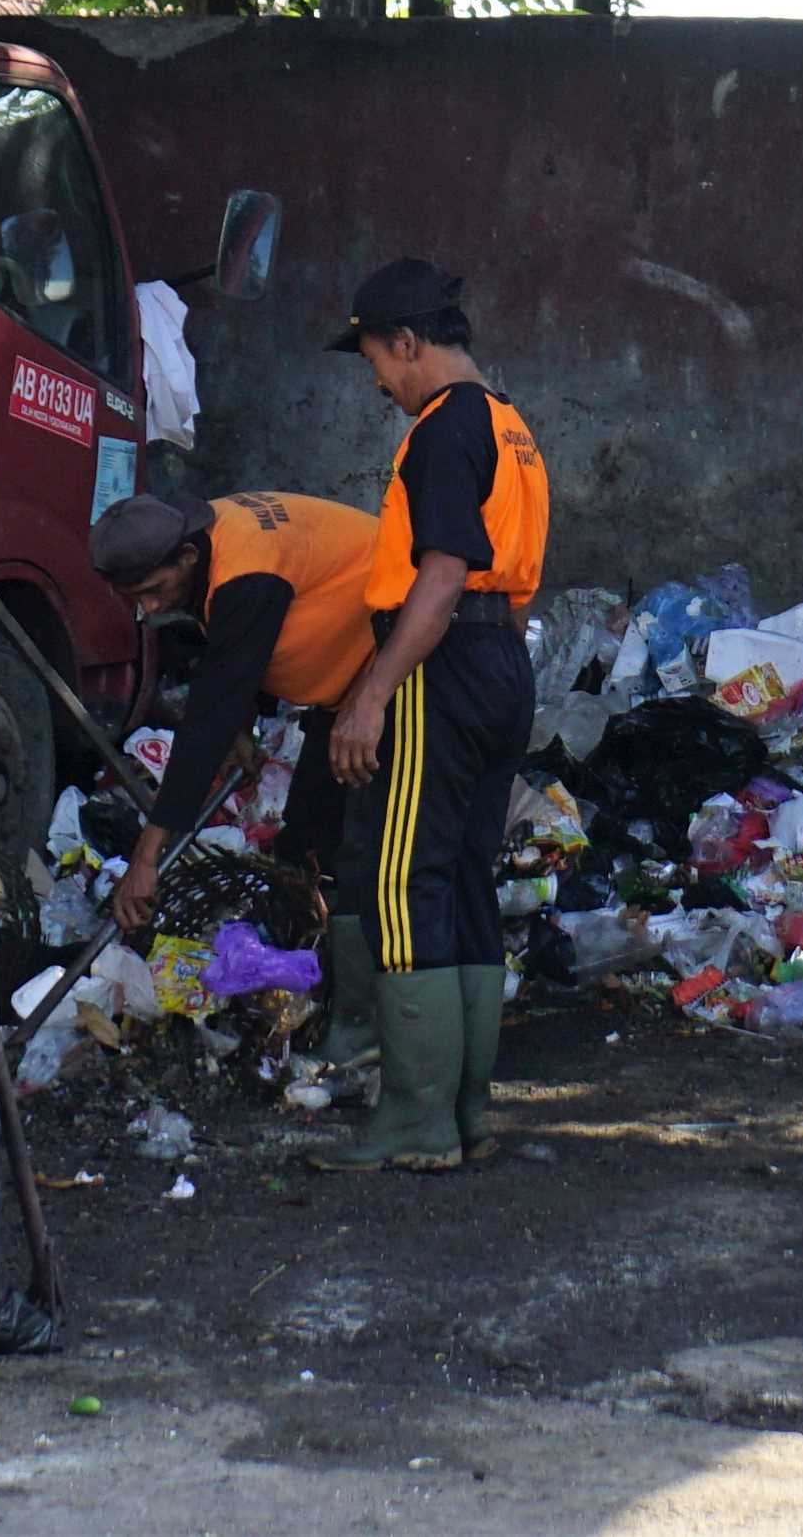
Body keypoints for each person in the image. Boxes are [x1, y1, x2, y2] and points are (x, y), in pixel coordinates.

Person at [312, 256, 548, 1174]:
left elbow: (442, 573)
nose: (376, 379)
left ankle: (415, 1119)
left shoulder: (445, 429)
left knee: (403, 883)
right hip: (500, 663)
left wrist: (372, 691)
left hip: (438, 664)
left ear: (407, 343)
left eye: (376, 356)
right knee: (465, 877)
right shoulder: (512, 425)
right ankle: (466, 1110)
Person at [89, 491, 391, 1020]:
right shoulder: (210, 535)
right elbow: (235, 651)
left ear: (185, 555)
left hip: (396, 675)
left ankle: (361, 1017)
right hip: (348, 683)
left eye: (155, 591)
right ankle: (308, 990)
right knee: (304, 844)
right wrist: (241, 724)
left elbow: (206, 718)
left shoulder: (247, 570)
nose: (152, 608)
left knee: (360, 851)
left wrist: (146, 856)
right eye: (136, 598)